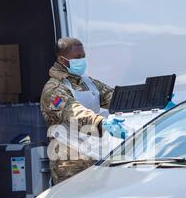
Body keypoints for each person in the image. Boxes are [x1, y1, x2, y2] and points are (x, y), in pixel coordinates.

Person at [41, 37, 128, 185]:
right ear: (62, 60)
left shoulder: (88, 83)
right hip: (69, 161)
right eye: (77, 57)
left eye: (83, 56)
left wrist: (150, 99)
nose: (81, 60)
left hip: (94, 153)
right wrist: (102, 123)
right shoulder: (54, 89)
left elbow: (115, 97)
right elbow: (74, 112)